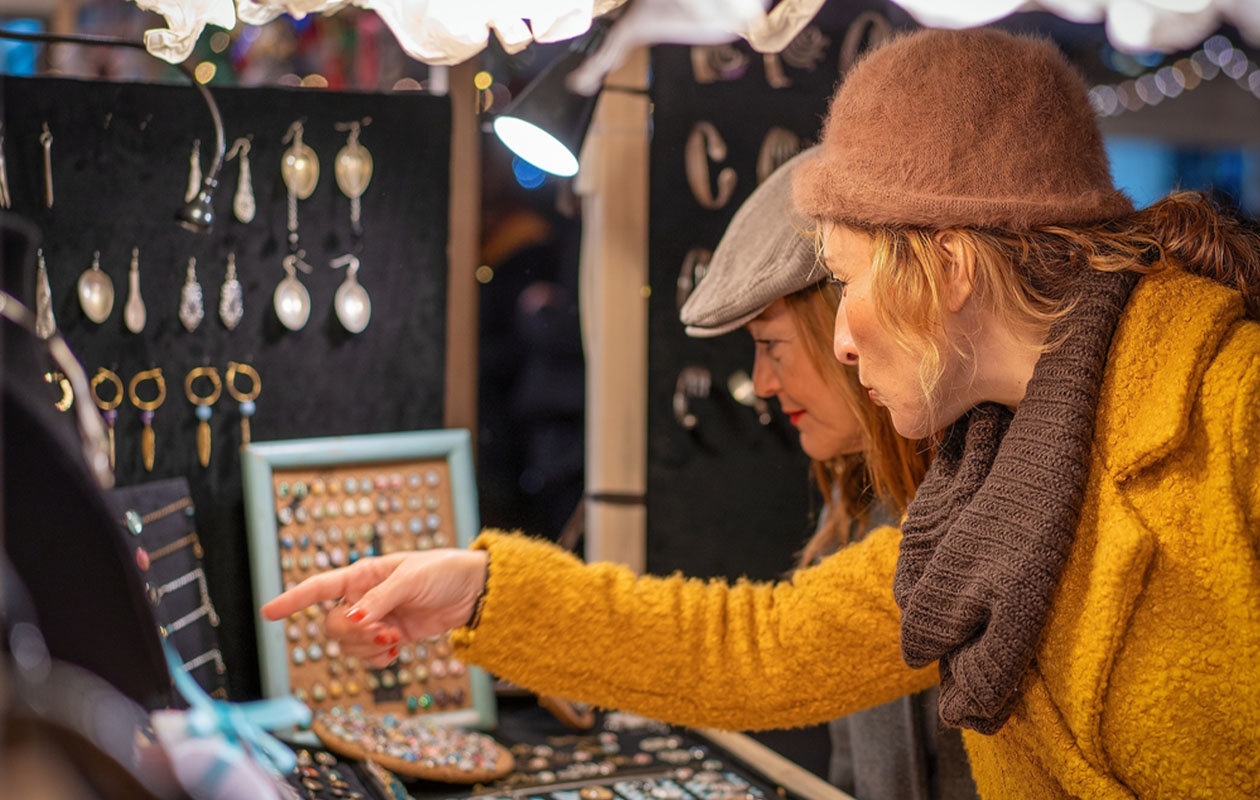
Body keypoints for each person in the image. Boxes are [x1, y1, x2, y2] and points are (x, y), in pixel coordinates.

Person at [264, 28, 1260, 799]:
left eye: (843, 282)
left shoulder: (1235, 413)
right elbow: (763, 646)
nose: (837, 340)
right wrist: (482, 589)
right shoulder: (988, 485)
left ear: (950, 267)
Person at [680, 148, 973, 800]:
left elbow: (752, 655)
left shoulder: (991, 512)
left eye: (771, 346)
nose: (760, 383)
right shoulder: (856, 506)